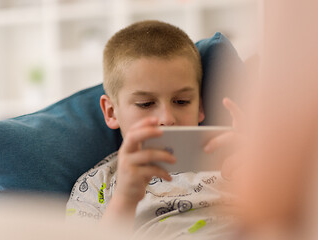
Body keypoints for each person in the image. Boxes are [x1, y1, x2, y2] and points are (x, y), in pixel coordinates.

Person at [66, 20, 242, 240]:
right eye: (146, 104)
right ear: (111, 112)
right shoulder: (97, 184)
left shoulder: (232, 156)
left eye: (181, 101)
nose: (167, 119)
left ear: (201, 107)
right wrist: (125, 200)